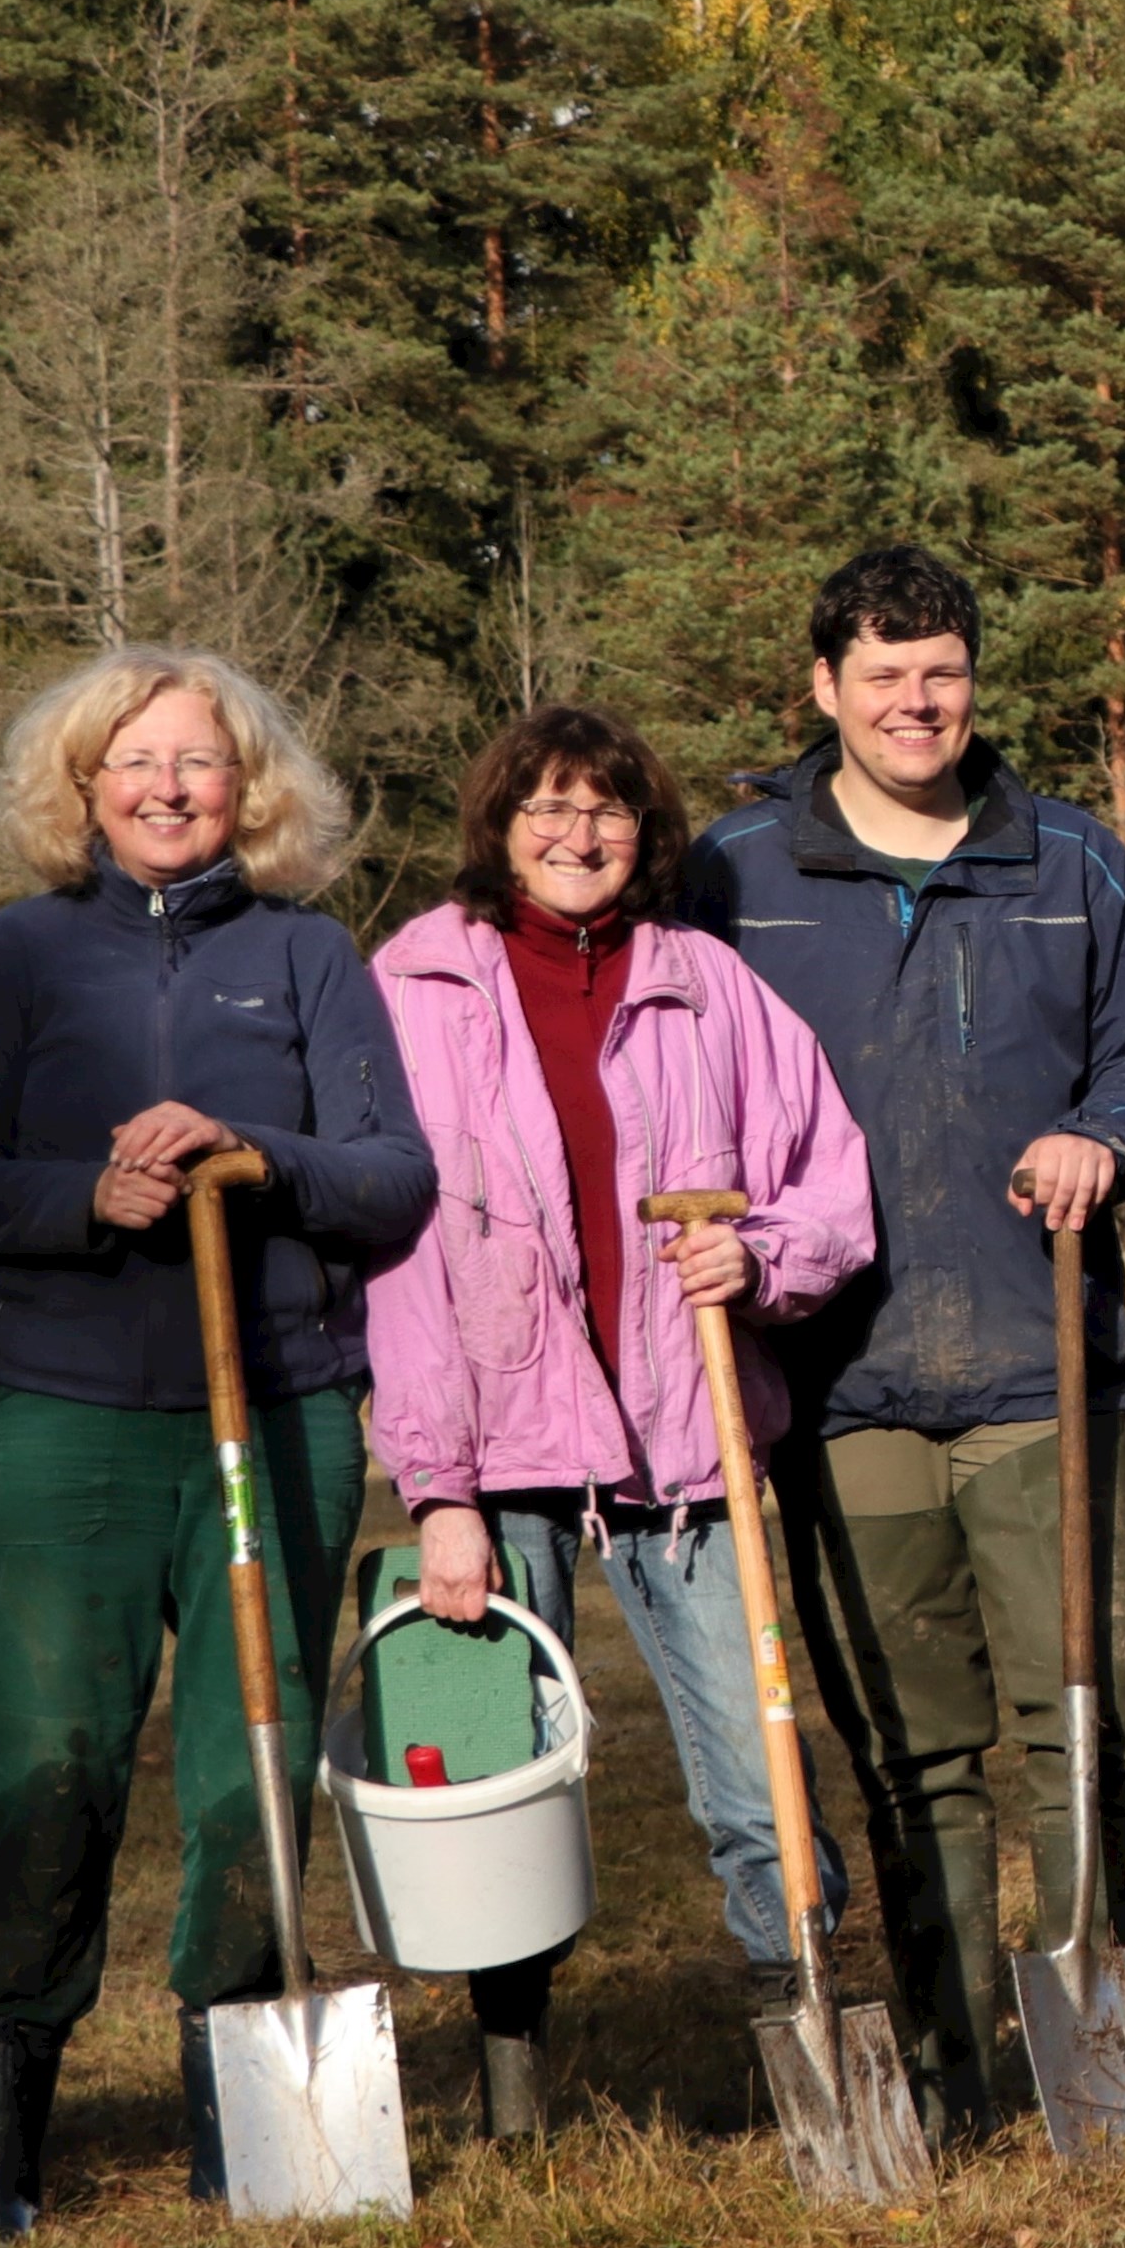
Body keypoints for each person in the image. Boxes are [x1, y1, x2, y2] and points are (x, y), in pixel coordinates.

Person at [0, 648, 436, 2238]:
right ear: (82, 786)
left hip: (273, 1417)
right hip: (69, 1428)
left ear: (248, 787)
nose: (167, 787)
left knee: (245, 1782)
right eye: (133, 762)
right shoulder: (18, 955)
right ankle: (7, 2132)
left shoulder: (308, 955)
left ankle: (244, 2123)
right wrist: (87, 1196)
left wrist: (251, 1152)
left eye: (198, 762)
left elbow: (395, 1180)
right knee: (50, 1770)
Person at [687, 546, 1125, 2134]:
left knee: (1091, 1702)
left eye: (946, 671)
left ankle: (1102, 2024)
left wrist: (1107, 1131)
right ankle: (955, 2057)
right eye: (886, 674)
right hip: (843, 1389)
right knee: (915, 1742)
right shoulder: (737, 875)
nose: (921, 701)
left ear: (975, 680)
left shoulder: (1069, 857)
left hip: (1045, 1366)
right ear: (825, 688)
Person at [361, 706, 876, 2137]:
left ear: (646, 835)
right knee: (492, 1777)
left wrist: (762, 1256)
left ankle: (819, 2051)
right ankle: (511, 2078)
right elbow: (394, 1263)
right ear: (498, 821)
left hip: (688, 1441)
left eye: (609, 809)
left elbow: (829, 1180)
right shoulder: (414, 986)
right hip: (500, 1457)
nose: (578, 833)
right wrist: (438, 1488)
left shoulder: (708, 988)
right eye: (547, 805)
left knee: (758, 1769)